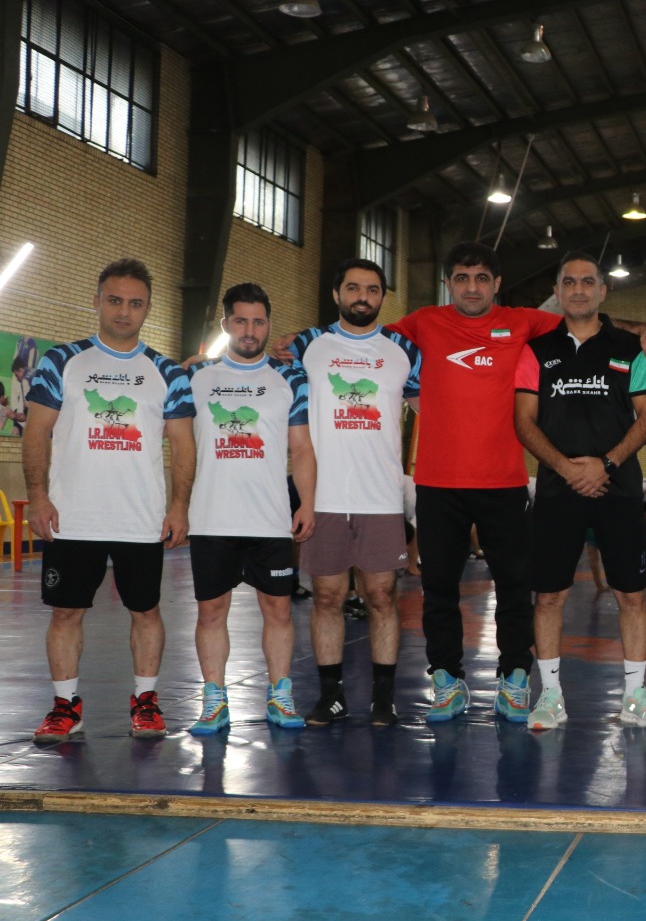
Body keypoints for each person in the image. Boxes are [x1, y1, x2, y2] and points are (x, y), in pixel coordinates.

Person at [383, 241, 646, 723]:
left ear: (497, 284)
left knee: (517, 589)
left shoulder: (525, 325)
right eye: (462, 278)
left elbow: (588, 320)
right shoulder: (425, 322)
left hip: (507, 482)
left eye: (482, 278)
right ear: (448, 283)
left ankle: (516, 678)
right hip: (441, 481)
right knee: (440, 589)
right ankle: (448, 681)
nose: (472, 288)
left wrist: (645, 329)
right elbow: (360, 336)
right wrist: (300, 342)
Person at [24, 259, 196, 743]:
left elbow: (184, 444)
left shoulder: (166, 371)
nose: (124, 311)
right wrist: (37, 496)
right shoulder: (62, 361)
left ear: (147, 308)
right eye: (115, 300)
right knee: (65, 613)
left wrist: (179, 506)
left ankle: (146, 701)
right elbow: (36, 432)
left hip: (140, 517)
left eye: (135, 303)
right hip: (72, 516)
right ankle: (65, 706)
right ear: (97, 301)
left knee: (146, 610)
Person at [513, 252, 646, 729]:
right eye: (569, 282)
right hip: (557, 491)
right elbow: (524, 421)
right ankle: (550, 697)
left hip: (617, 489)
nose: (578, 290)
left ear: (603, 290)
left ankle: (636, 696)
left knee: (631, 595)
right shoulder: (536, 351)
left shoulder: (632, 349)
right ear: (557, 292)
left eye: (587, 282)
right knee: (548, 597)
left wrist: (607, 464)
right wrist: (565, 468)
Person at [283, 258, 420, 726]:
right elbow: (255, 370)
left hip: (380, 495)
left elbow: (437, 405)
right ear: (337, 294)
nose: (363, 297)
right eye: (354, 288)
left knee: (381, 595)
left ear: (383, 297)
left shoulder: (403, 350)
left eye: (373, 289)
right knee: (326, 596)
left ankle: (384, 698)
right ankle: (331, 697)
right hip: (323, 496)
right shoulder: (306, 345)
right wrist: (200, 367)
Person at [186, 283, 317, 733]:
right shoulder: (196, 378)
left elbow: (302, 449)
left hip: (270, 519)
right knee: (211, 611)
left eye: (258, 322)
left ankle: (281, 696)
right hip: (211, 517)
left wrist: (308, 503)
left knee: (278, 610)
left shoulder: (290, 379)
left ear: (268, 325)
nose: (250, 330)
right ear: (225, 325)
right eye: (240, 321)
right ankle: (214, 701)